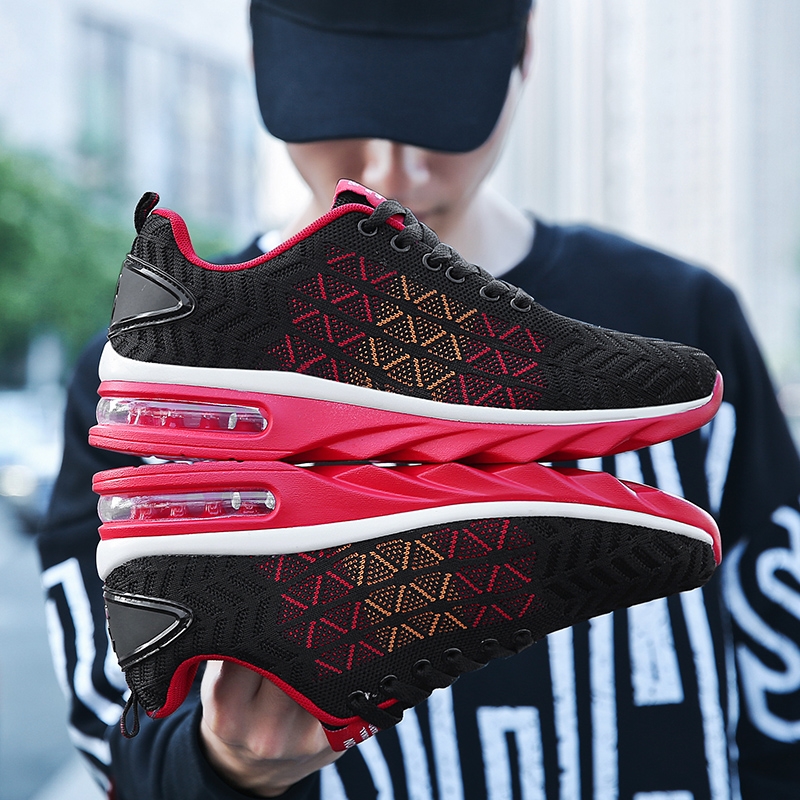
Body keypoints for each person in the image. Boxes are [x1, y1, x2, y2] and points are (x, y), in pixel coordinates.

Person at [39, 1, 800, 797]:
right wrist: (225, 771)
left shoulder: (684, 319)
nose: (392, 171)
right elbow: (121, 747)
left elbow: (782, 702)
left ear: (523, 52)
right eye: (338, 104)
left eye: (440, 108)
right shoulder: (153, 384)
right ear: (262, 56)